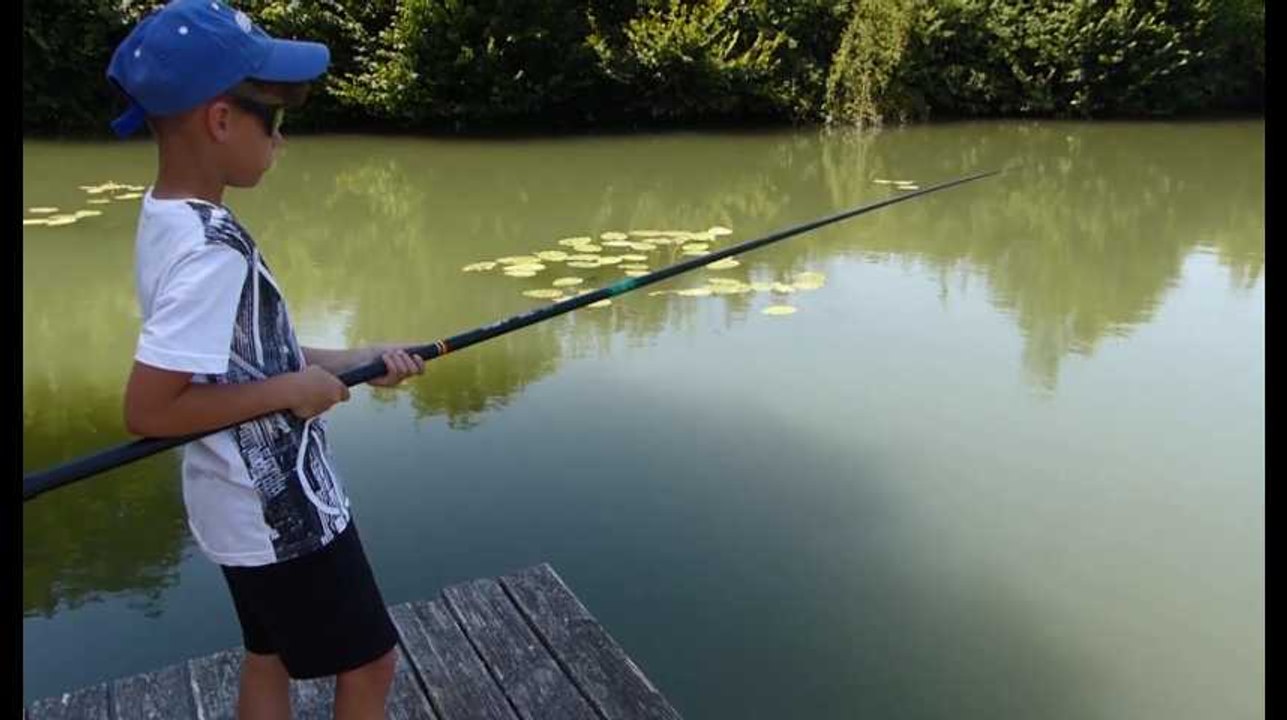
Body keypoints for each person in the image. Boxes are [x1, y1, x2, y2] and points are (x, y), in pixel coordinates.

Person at [108, 2, 424, 717]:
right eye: (274, 122)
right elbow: (151, 409)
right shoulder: (212, 254)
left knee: (269, 657)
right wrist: (291, 391)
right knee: (371, 666)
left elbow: (235, 360)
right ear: (221, 120)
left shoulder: (168, 217)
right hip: (281, 511)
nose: (280, 143)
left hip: (232, 503)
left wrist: (355, 358)